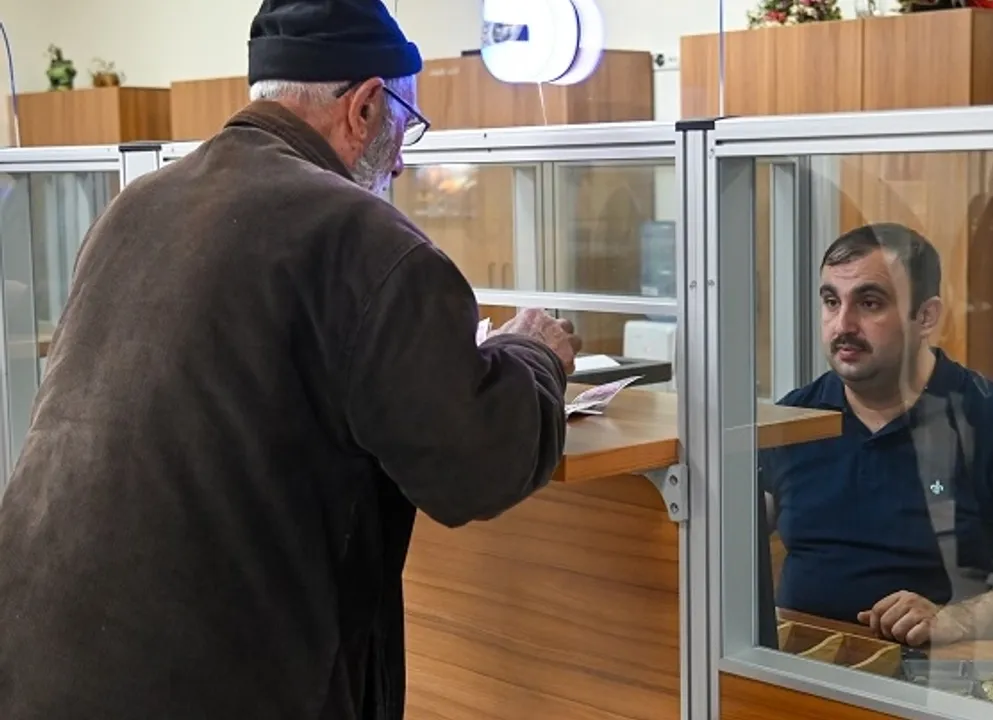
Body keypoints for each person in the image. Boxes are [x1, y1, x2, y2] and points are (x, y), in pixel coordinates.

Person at [0, 1, 582, 718]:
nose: (402, 160)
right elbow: (473, 464)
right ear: (365, 107)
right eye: (405, 125)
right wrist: (534, 354)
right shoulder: (364, 238)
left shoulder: (134, 207)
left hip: (31, 664)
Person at [759, 223, 993, 648]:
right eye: (831, 301)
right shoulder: (794, 418)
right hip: (797, 665)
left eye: (869, 303)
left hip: (940, 673)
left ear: (926, 317)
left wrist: (955, 619)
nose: (842, 324)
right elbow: (726, 539)